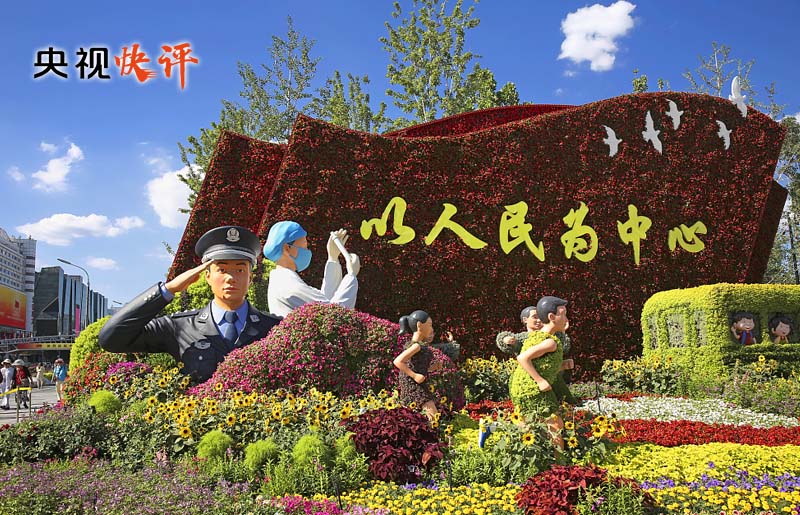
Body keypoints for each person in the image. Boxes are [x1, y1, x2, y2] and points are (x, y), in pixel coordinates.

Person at [99, 226, 282, 383]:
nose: (230, 278)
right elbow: (111, 339)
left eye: (240, 270)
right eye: (222, 269)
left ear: (250, 278)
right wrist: (168, 290)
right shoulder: (180, 326)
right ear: (207, 276)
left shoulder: (274, 328)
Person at [509, 296, 575, 449]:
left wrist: (562, 365)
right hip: (533, 390)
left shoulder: (536, 336)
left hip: (520, 388)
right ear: (552, 317)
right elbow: (523, 358)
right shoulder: (550, 342)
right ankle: (559, 460)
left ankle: (518, 449)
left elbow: (542, 365)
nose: (566, 319)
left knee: (526, 423)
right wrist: (540, 381)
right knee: (555, 424)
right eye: (563, 314)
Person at [263, 221, 360, 318]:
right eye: (304, 246)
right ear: (287, 248)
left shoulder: (282, 279)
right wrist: (351, 276)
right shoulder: (288, 284)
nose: (307, 250)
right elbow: (331, 316)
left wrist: (333, 258)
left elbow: (324, 301)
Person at [497, 306, 578, 405]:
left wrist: (562, 364)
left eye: (540, 317)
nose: (539, 320)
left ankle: (569, 404)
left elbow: (550, 358)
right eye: (535, 317)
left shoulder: (550, 337)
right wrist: (506, 339)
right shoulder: (524, 338)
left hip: (550, 375)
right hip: (531, 378)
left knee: (561, 391)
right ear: (525, 320)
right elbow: (508, 340)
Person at [393, 310, 455, 419]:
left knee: (419, 416)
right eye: (429, 325)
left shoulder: (421, 346)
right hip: (413, 385)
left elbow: (417, 366)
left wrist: (432, 367)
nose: (431, 329)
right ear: (419, 325)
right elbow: (398, 361)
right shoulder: (416, 346)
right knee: (433, 416)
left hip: (419, 384)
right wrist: (414, 375)